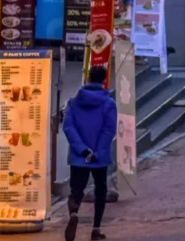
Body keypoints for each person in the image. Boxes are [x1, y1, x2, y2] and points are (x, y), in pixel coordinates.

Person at [62, 65, 118, 241]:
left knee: (76, 190)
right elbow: (109, 130)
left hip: (79, 157)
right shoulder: (109, 103)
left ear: (87, 77)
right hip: (99, 157)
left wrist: (82, 149)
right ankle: (96, 229)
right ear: (103, 79)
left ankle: (74, 213)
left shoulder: (73, 102)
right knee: (100, 191)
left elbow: (68, 127)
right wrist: (96, 151)